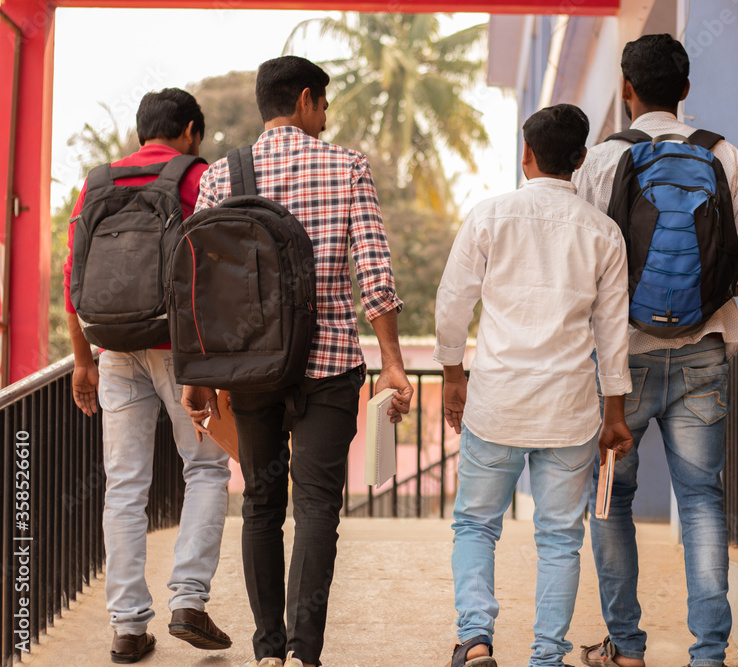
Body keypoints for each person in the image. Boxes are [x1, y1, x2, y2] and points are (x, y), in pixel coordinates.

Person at [181, 55, 413, 667]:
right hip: (331, 365)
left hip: (250, 369)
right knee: (316, 507)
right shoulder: (346, 165)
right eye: (324, 105)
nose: (326, 116)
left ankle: (268, 653)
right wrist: (390, 359)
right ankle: (305, 655)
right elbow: (375, 272)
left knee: (259, 504)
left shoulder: (221, 178)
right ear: (306, 100)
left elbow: (202, 284)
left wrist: (198, 374)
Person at [573, 34, 738, 667]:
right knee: (701, 501)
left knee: (611, 499)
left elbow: (584, 264)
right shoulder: (725, 155)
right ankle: (709, 655)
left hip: (621, 363)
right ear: (686, 91)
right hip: (703, 355)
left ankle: (628, 649)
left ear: (626, 90)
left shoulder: (602, 160)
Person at [435, 104, 634, 667]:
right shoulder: (604, 233)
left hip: (496, 402)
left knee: (475, 523)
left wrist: (454, 374)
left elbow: (453, 305)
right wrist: (614, 412)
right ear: (580, 159)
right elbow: (611, 332)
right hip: (569, 411)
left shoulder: (489, 216)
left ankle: (475, 641)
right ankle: (547, 656)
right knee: (560, 541)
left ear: (526, 155)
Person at [65, 88, 232, 664]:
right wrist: (211, 363)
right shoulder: (197, 177)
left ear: (142, 132)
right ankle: (187, 599)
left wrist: (83, 361)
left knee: (124, 486)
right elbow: (214, 271)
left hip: (111, 348)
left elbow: (73, 280)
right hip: (180, 348)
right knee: (207, 469)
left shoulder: (98, 182)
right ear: (188, 130)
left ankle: (128, 626)